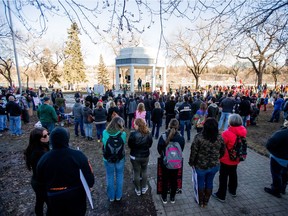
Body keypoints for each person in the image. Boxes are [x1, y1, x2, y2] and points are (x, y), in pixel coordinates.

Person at [36, 127, 94, 216]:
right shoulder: (78, 155)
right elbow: (89, 177)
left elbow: (40, 182)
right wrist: (89, 185)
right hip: (76, 196)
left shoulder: (44, 159)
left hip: (54, 197)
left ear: (51, 140)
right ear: (67, 139)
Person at [189, 118, 225, 207]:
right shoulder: (220, 137)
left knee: (200, 183)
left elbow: (193, 152)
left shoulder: (199, 137)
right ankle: (206, 202)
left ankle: (200, 201)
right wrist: (217, 158)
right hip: (214, 166)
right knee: (209, 182)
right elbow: (223, 151)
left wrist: (191, 162)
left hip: (200, 166)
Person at [213, 114, 247, 202]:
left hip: (226, 159)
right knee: (233, 174)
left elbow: (220, 145)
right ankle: (233, 190)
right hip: (236, 158)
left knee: (223, 177)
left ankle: (221, 195)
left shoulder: (227, 133)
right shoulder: (242, 131)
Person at [157, 118, 185, 204]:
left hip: (165, 162)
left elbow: (159, 149)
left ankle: (164, 197)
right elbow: (182, 150)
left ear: (169, 125)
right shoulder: (181, 138)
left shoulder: (163, 136)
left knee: (165, 180)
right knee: (174, 179)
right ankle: (172, 197)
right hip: (176, 162)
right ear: (178, 126)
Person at [24, 127, 50, 216]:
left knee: (39, 201)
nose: (48, 136)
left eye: (48, 133)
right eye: (45, 135)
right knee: (50, 204)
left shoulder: (36, 147)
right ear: (39, 139)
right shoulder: (39, 153)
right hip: (41, 184)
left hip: (36, 181)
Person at [102, 117, 127, 202]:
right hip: (120, 158)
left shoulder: (105, 132)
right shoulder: (123, 134)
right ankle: (118, 196)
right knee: (120, 175)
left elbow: (104, 144)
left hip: (108, 159)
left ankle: (111, 197)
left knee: (110, 176)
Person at [128, 118, 153, 196]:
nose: (134, 125)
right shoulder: (148, 133)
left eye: (135, 124)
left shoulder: (133, 134)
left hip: (135, 156)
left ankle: (138, 189)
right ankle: (144, 188)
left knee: (136, 172)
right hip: (145, 156)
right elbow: (150, 144)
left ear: (138, 125)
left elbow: (130, 145)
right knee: (144, 170)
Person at [264, 120, 288, 198]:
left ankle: (276, 190)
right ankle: (283, 188)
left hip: (278, 158)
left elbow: (269, 144)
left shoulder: (281, 133)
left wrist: (274, 153)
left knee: (276, 174)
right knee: (285, 174)